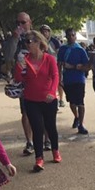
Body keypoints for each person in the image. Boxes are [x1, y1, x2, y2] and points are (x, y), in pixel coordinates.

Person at [14, 30, 60, 171]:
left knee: (50, 126)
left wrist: (52, 92)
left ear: (38, 42)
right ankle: (39, 158)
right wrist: (19, 67)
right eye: (25, 42)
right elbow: (18, 79)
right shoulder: (24, 59)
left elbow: (55, 76)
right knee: (37, 128)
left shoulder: (49, 58)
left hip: (48, 99)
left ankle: (55, 150)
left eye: (29, 41)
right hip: (31, 99)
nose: (27, 44)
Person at [58, 28, 89, 134]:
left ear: (75, 36)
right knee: (72, 102)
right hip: (67, 79)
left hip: (79, 79)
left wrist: (74, 66)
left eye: (73, 35)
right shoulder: (63, 49)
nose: (71, 37)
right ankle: (76, 117)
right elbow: (59, 64)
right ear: (66, 37)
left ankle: (81, 124)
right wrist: (59, 78)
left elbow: (86, 66)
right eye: (69, 35)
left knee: (80, 102)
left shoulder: (80, 50)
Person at [13, 12, 34, 155]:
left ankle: (46, 139)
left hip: (39, 81)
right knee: (25, 112)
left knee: (42, 112)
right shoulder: (15, 39)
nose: (20, 25)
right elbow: (8, 55)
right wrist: (14, 38)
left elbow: (50, 56)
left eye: (23, 22)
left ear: (30, 22)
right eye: (18, 22)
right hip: (23, 82)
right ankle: (29, 142)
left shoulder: (37, 37)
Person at [39, 24, 64, 107]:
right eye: (43, 31)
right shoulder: (38, 41)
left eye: (46, 31)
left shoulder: (54, 41)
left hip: (55, 63)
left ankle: (61, 99)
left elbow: (59, 52)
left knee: (58, 81)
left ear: (49, 32)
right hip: (43, 64)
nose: (44, 33)